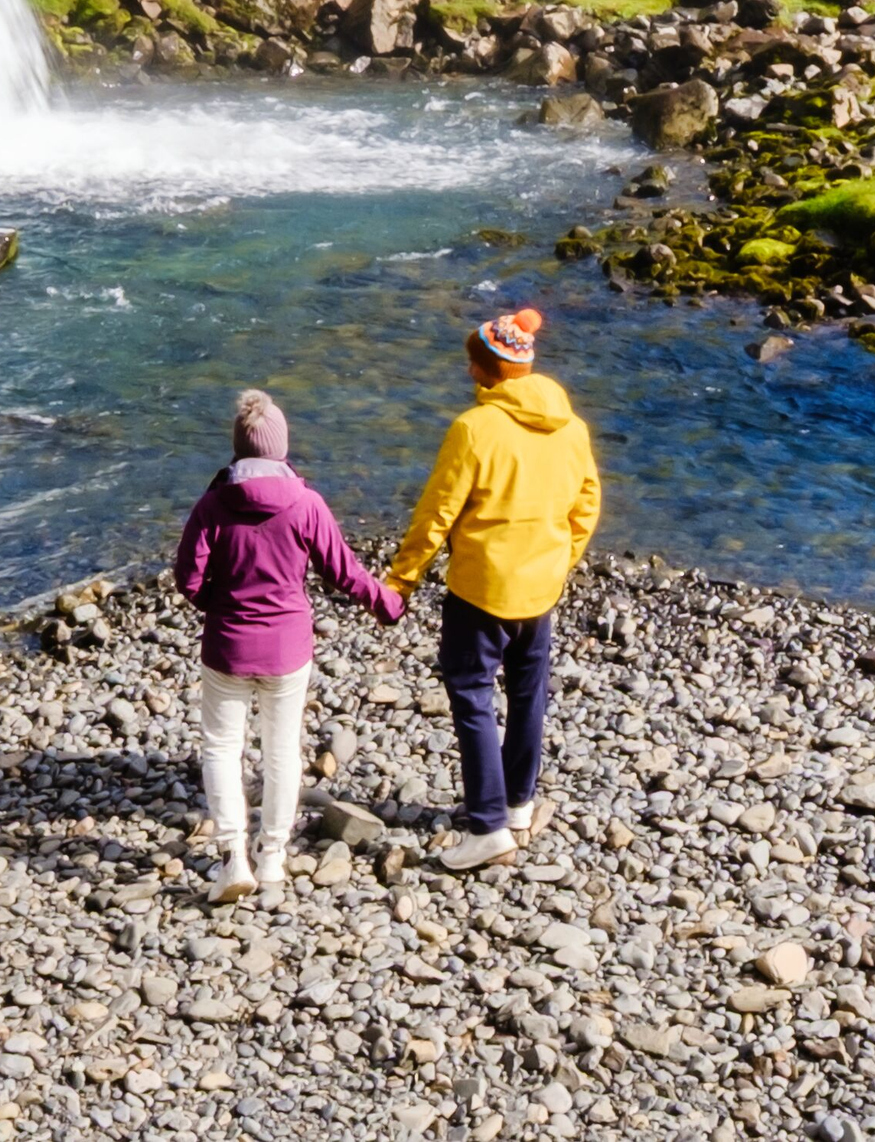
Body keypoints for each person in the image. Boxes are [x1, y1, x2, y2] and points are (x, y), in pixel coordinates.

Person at [382, 307, 601, 873]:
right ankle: (519, 804)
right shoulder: (572, 428)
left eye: (472, 362)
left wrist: (402, 579)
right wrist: (560, 563)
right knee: (529, 692)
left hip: (482, 589)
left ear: (488, 369)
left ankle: (487, 826)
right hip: (542, 587)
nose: (467, 371)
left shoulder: (474, 429)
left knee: (472, 692)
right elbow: (587, 506)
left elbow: (437, 514)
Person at [174, 388, 404, 903]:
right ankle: (273, 856)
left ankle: (233, 855)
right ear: (280, 449)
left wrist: (220, 605)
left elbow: (188, 578)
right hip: (287, 649)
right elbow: (343, 571)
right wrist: (385, 603)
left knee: (221, 748)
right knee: (281, 751)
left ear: (237, 449)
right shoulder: (305, 503)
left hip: (227, 648)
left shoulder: (212, 503)